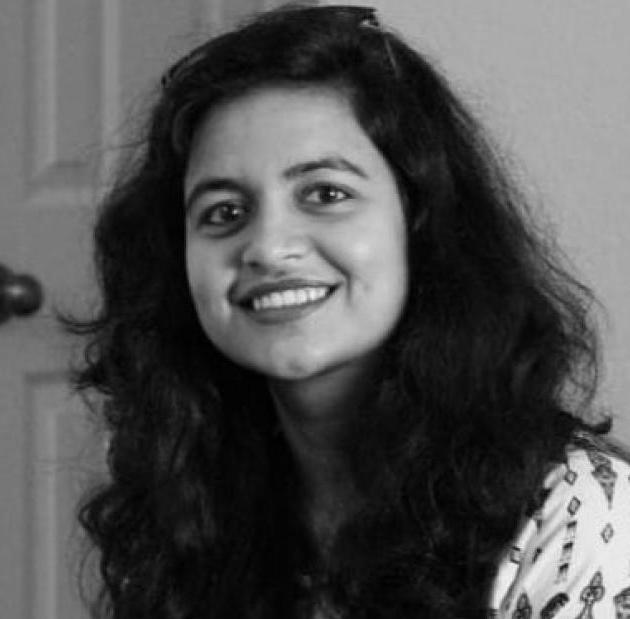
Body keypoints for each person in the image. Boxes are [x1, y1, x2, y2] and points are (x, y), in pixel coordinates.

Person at [68, 4, 630, 618]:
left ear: (423, 224)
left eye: (325, 193)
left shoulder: (579, 514)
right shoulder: (187, 505)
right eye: (224, 212)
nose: (268, 247)